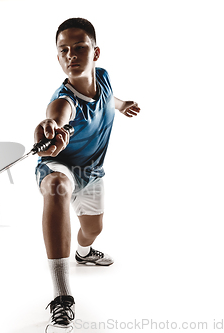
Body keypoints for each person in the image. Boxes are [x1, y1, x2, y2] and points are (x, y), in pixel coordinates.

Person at [34, 18, 140, 332]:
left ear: (95, 52)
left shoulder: (104, 78)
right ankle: (62, 295)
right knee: (55, 186)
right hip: (61, 166)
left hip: (92, 174)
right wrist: (50, 129)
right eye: (64, 50)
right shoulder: (63, 101)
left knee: (92, 230)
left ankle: (84, 253)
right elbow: (56, 116)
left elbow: (108, 98)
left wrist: (122, 106)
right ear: (58, 58)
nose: (71, 55)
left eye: (79, 47)